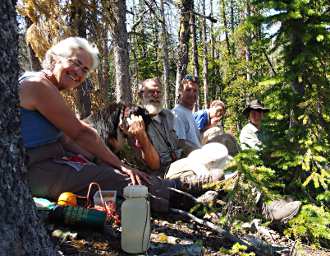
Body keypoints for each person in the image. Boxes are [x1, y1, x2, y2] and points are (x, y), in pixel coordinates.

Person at [18, 37, 175, 212]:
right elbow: (81, 133)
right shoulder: (38, 86)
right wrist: (120, 165)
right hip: (33, 168)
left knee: (107, 171)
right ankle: (175, 194)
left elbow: (67, 141)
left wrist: (100, 161)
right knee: (112, 178)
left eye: (84, 70)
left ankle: (169, 190)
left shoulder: (47, 87)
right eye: (76, 63)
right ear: (56, 58)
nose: (78, 72)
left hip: (50, 160)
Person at [239, 99, 302, 222]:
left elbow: (273, 146)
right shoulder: (247, 131)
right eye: (253, 112)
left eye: (259, 111)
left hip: (270, 170)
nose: (256, 114)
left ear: (262, 114)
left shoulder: (265, 131)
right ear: (249, 115)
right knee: (260, 189)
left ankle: (283, 203)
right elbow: (260, 151)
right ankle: (268, 212)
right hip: (254, 170)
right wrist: (277, 152)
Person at [172, 75, 202, 154]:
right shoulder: (177, 114)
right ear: (180, 92)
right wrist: (203, 155)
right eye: (188, 90)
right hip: (187, 161)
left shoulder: (188, 113)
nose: (192, 93)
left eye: (195, 90)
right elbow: (180, 143)